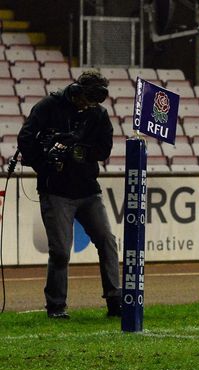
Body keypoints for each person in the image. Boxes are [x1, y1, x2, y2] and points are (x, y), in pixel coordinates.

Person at [17, 70, 120, 319]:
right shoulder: (49, 106)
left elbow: (104, 148)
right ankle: (56, 306)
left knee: (107, 241)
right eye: (86, 99)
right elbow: (25, 138)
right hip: (56, 191)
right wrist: (44, 164)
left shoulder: (98, 113)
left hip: (88, 189)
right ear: (78, 90)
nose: (88, 105)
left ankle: (115, 300)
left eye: (94, 102)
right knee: (61, 251)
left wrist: (80, 151)